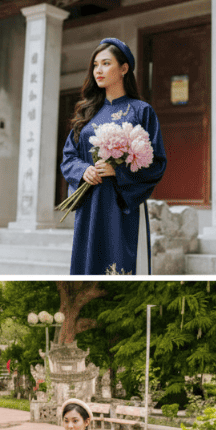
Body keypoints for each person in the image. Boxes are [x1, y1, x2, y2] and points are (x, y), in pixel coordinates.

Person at [61, 38, 167, 275]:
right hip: (90, 205)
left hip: (122, 206)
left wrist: (118, 171)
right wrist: (82, 171)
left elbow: (157, 163)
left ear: (124, 68)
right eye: (95, 65)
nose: (98, 70)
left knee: (120, 267)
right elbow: (68, 157)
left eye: (106, 63)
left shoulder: (141, 111)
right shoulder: (87, 113)